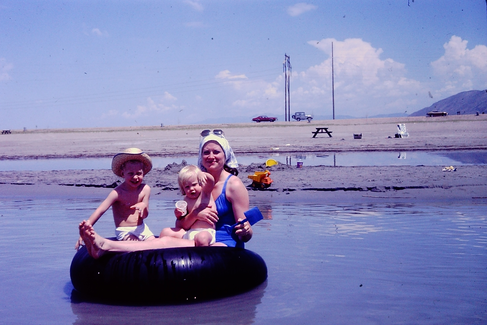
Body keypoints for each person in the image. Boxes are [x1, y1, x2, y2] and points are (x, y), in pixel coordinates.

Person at [78, 129, 253, 258]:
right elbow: (183, 224)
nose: (211, 156)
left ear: (226, 155)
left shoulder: (233, 185)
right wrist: (195, 214)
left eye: (216, 152)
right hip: (197, 236)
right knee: (164, 234)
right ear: (201, 156)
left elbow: (247, 234)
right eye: (206, 152)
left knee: (164, 243)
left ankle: (107, 246)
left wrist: (245, 230)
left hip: (223, 243)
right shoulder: (195, 183)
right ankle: (112, 247)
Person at [75, 148, 155, 250]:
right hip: (124, 230)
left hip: (142, 229)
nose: (135, 177)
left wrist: (143, 207)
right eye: (131, 173)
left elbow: (145, 215)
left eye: (139, 173)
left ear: (143, 173)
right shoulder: (117, 193)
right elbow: (100, 211)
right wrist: (84, 232)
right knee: (136, 246)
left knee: (156, 244)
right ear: (123, 174)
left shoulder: (145, 189)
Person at [159, 165, 217, 246]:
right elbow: (183, 226)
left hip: (206, 232)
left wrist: (204, 174)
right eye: (187, 187)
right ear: (183, 189)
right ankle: (163, 257)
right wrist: (179, 216)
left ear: (201, 183)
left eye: (194, 184)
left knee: (202, 238)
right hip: (190, 232)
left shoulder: (205, 194)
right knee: (165, 232)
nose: (191, 189)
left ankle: (202, 257)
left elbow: (211, 181)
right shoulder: (186, 200)